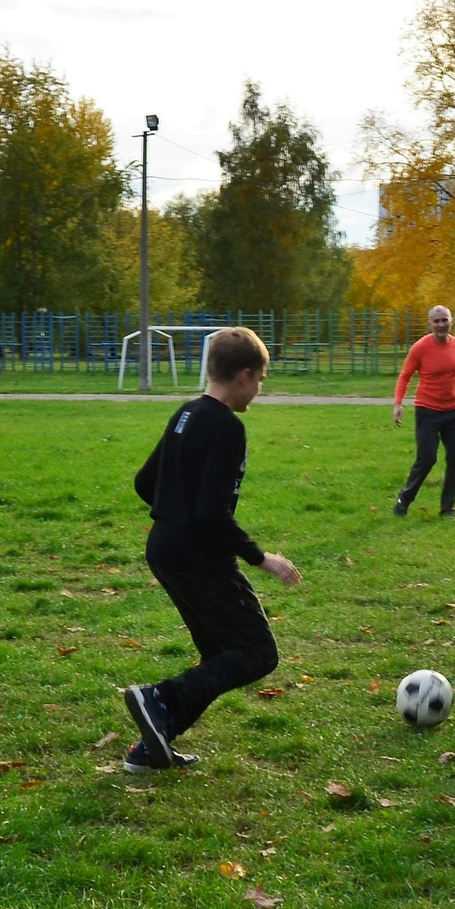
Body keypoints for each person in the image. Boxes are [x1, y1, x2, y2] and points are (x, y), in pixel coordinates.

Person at [122, 326, 303, 771]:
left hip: (164, 548)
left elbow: (145, 484)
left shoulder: (185, 413)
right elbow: (211, 515)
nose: (258, 391)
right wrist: (263, 559)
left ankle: (152, 748)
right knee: (258, 653)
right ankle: (160, 698)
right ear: (244, 375)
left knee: (220, 655)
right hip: (197, 556)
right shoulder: (227, 427)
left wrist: (173, 512)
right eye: (260, 380)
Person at [391, 305, 455, 517]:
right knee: (427, 459)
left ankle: (447, 509)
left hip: (453, 412)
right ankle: (404, 498)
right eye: (436, 321)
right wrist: (398, 404)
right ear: (430, 324)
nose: (441, 325)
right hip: (428, 411)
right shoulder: (420, 348)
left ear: (451, 321)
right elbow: (405, 376)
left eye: (444, 320)